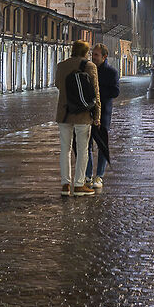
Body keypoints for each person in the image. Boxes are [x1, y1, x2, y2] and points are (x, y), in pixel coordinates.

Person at [53, 40, 100, 195]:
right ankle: (79, 185)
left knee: (65, 149)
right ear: (86, 52)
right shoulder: (90, 66)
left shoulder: (61, 65)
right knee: (82, 150)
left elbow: (58, 84)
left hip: (64, 112)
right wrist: (97, 115)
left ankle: (65, 185)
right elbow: (95, 93)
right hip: (83, 113)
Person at [86, 42, 121, 188]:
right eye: (92, 54)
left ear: (104, 56)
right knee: (86, 145)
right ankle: (87, 175)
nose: (93, 57)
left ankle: (99, 176)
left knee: (101, 144)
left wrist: (97, 93)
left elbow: (115, 92)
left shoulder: (111, 72)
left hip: (104, 113)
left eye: (96, 55)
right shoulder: (87, 69)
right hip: (87, 112)